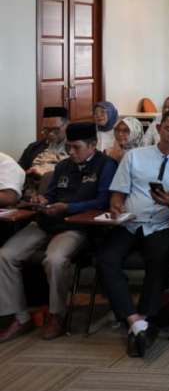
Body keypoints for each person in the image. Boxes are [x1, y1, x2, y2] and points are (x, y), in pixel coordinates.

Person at [0, 123, 116, 341]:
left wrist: (69, 208)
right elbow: (51, 194)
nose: (70, 152)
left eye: (76, 147)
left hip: (76, 225)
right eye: (68, 146)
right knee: (5, 255)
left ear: (92, 144)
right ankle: (20, 316)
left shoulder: (106, 165)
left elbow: (103, 201)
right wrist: (42, 200)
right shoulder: (63, 166)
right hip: (47, 220)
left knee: (54, 259)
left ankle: (57, 315)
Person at [97, 109, 169, 357]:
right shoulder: (134, 156)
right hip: (129, 222)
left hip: (162, 224)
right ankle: (134, 320)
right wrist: (116, 206)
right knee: (106, 259)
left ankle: (143, 317)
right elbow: (118, 193)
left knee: (159, 260)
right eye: (168, 129)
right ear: (159, 128)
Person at [18, 107, 70, 200]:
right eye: (46, 130)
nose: (50, 134)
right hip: (31, 193)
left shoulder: (75, 147)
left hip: (61, 193)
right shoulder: (34, 147)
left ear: (67, 125)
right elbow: (19, 171)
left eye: (55, 129)